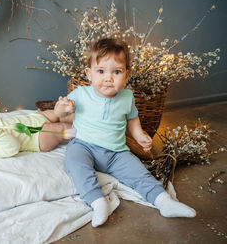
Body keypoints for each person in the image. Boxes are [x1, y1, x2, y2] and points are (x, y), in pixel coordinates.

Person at [56, 38, 196, 227]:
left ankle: (164, 202)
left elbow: (132, 120)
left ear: (126, 75)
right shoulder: (81, 94)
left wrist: (140, 136)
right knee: (75, 163)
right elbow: (60, 114)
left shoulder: (127, 97)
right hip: (84, 146)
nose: (108, 78)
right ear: (89, 74)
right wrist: (62, 107)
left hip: (116, 153)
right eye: (101, 71)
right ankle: (97, 202)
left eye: (117, 72)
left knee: (140, 173)